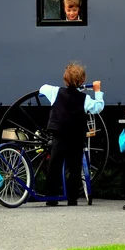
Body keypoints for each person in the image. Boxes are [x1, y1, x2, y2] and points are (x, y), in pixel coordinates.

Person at [39, 62, 104, 206]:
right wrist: (97, 90)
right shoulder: (85, 99)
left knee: (54, 165)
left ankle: (51, 197)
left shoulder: (56, 92)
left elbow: (42, 88)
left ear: (65, 79)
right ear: (82, 81)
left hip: (59, 134)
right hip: (76, 136)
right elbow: (98, 107)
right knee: (74, 167)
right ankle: (72, 198)